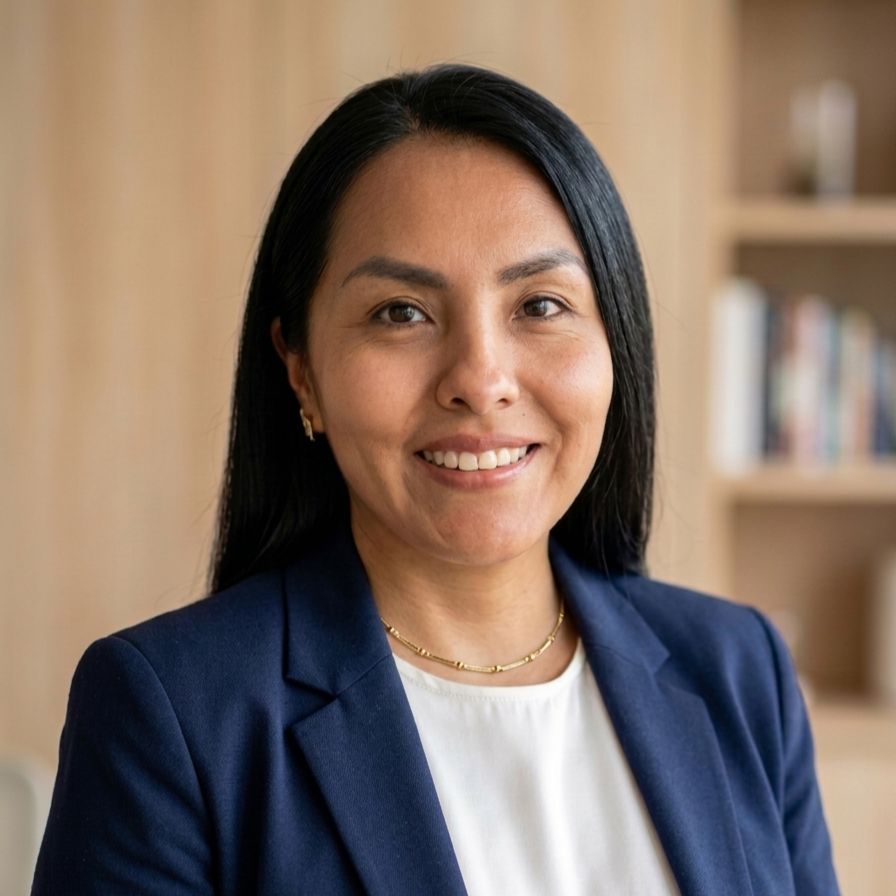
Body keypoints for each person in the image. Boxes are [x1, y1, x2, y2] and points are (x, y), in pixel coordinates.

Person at [32, 64, 840, 895]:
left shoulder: (739, 671)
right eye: (401, 313)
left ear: (616, 341)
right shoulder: (170, 713)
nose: (480, 380)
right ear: (301, 370)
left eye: (540, 306)